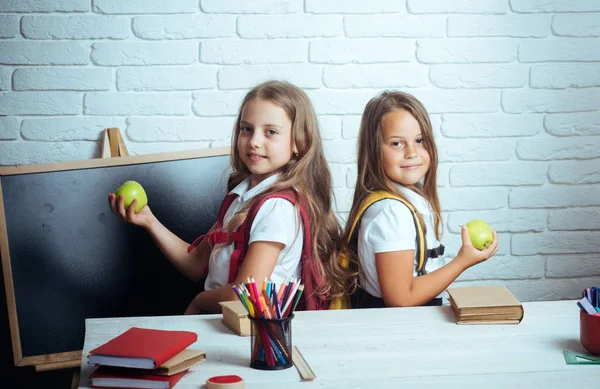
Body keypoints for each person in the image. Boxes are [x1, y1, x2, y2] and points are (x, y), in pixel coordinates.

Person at [109, 80, 348, 314]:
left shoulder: (276, 208)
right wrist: (149, 221)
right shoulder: (242, 199)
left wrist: (200, 301)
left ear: (299, 142)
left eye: (271, 132)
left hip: (250, 335)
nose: (254, 141)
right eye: (247, 129)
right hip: (225, 325)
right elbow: (194, 264)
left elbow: (244, 295)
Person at [343, 90, 499, 308]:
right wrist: (462, 261)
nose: (412, 152)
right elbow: (400, 299)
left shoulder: (405, 199)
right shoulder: (391, 212)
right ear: (373, 151)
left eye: (420, 140)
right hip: (397, 331)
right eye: (397, 143)